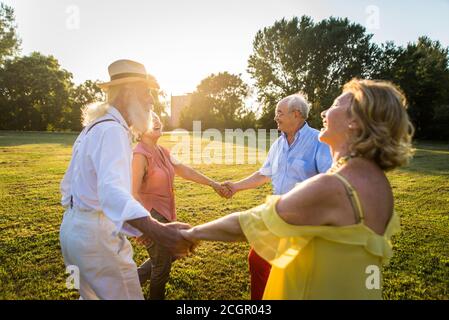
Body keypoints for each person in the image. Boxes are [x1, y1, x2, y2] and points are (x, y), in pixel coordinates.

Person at [182, 79, 414, 299]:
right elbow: (265, 173)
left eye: (334, 105)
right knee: (259, 265)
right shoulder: (379, 183)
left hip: (293, 232)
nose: (324, 112)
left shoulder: (331, 183)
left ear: (354, 120)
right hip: (345, 283)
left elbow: (247, 224)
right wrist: (236, 186)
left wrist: (189, 234)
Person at [59, 59, 194, 300]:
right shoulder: (112, 130)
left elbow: (71, 187)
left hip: (73, 231)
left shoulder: (92, 127)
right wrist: (158, 230)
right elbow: (112, 193)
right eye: (147, 92)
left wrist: (135, 225)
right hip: (97, 240)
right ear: (129, 92)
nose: (151, 100)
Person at [222, 93, 332, 299]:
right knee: (257, 261)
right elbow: (264, 174)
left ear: (297, 114)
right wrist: (235, 186)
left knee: (299, 274)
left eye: (279, 113)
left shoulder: (318, 141)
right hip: (277, 213)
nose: (275, 118)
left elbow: (330, 180)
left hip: (304, 220)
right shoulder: (278, 144)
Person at [132, 112, 229, 299]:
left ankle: (129, 282)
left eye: (158, 118)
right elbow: (133, 193)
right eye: (151, 120)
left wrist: (213, 184)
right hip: (152, 215)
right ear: (139, 129)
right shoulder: (139, 155)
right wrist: (144, 226)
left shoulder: (162, 151)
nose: (157, 122)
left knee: (168, 256)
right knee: (161, 268)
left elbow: (184, 170)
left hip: (167, 212)